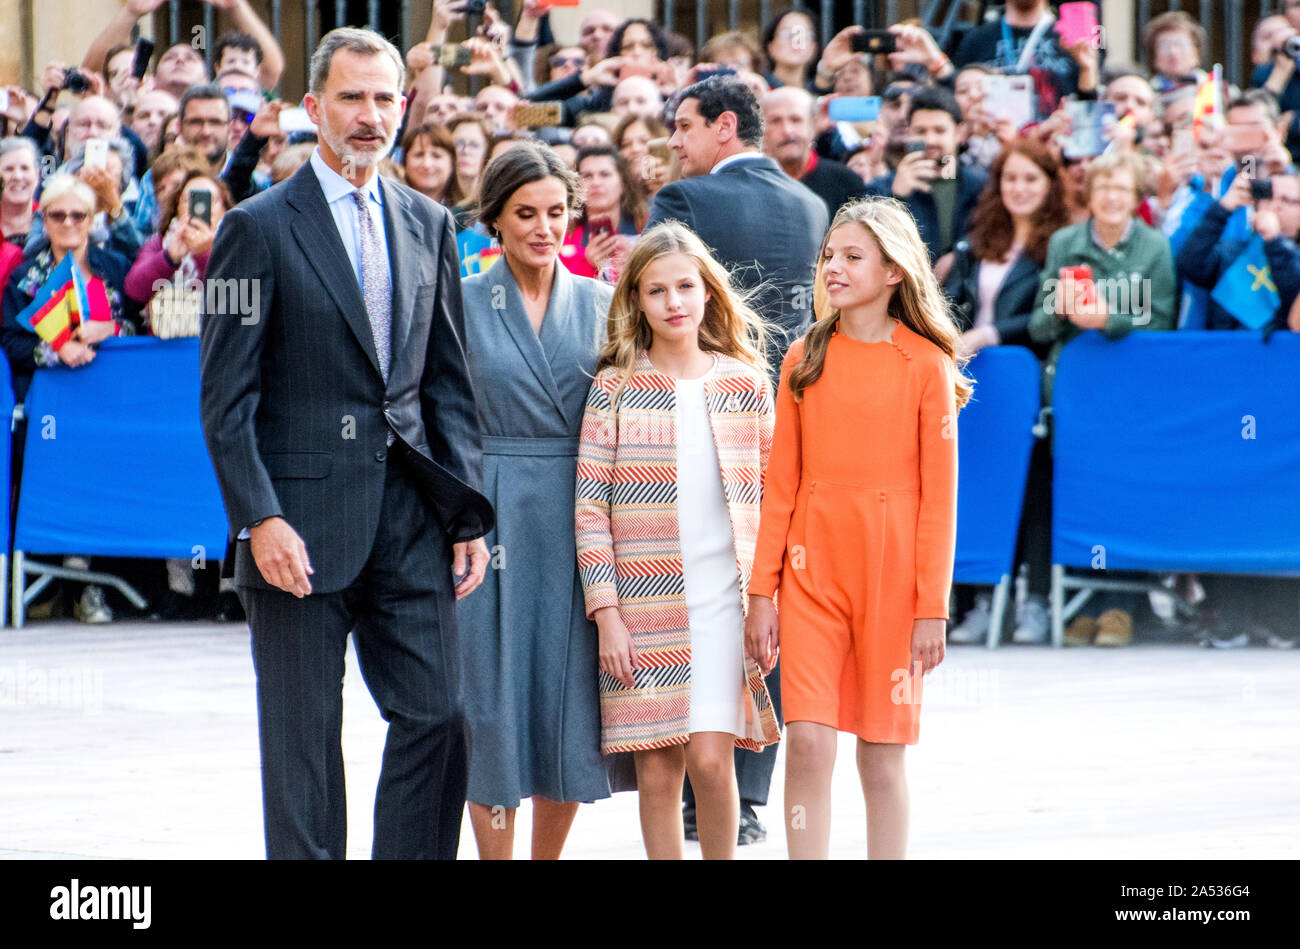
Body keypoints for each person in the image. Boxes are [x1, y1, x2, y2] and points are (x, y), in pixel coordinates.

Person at [199, 27, 494, 860]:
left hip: (409, 517)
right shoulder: (252, 230)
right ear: (312, 108)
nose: (370, 116)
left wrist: (466, 512)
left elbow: (448, 384)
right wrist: (259, 519)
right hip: (296, 526)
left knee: (440, 715)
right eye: (351, 97)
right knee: (302, 747)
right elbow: (225, 401)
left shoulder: (431, 221)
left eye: (384, 99)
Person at [746, 197, 969, 859]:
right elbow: (779, 486)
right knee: (808, 743)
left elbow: (940, 500)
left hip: (895, 585)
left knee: (880, 752)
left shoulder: (926, 364)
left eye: (852, 256)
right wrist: (763, 591)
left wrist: (932, 606)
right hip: (811, 577)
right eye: (829, 256)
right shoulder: (802, 358)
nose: (833, 268)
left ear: (895, 270)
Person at [646, 75, 826, 842]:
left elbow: (655, 304)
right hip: (792, 420)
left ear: (724, 126)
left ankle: (696, 782)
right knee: (765, 596)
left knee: (696, 589)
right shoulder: (812, 205)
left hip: (702, 416)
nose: (675, 144)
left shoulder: (686, 202)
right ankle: (744, 794)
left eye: (682, 127)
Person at [575, 221, 782, 859]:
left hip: (726, 602)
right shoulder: (613, 388)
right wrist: (607, 615)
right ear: (636, 300)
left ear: (708, 293)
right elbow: (589, 511)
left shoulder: (745, 383)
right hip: (642, 605)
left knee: (713, 763)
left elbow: (777, 498)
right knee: (657, 771)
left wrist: (767, 599)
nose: (674, 303)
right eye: (657, 290)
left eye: (685, 286)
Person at [456, 142, 613, 860]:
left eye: (557, 211)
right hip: (485, 513)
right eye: (526, 213)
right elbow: (440, 416)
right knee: (490, 706)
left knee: (566, 707)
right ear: (494, 218)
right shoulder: (457, 301)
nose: (544, 227)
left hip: (579, 513)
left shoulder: (604, 304)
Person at [1030, 151, 1176, 648]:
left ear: (1136, 199)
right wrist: (1062, 312)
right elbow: (1037, 325)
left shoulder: (1154, 246)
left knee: (1125, 494)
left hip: (1133, 393)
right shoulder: (1065, 243)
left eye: (1122, 189)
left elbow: (1162, 320)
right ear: (1088, 196)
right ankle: (1081, 606)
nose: (1112, 197)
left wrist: (1108, 320)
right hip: (1076, 389)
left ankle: (1121, 605)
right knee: (1075, 491)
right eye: (1103, 188)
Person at [944, 140, 1071, 647]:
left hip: (1025, 383)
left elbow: (1045, 320)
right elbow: (955, 303)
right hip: (971, 384)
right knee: (973, 487)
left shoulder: (1061, 243)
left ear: (1049, 186)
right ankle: (974, 601)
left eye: (1031, 180)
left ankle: (1034, 600)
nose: (1019, 189)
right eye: (1010, 178)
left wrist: (990, 334)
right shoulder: (977, 240)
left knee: (1033, 488)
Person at [865, 84, 988, 270]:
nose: (930, 140)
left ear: (959, 133)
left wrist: (960, 254)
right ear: (908, 134)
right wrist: (897, 199)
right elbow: (872, 249)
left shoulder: (982, 187)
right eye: (921, 131)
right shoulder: (881, 189)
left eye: (939, 131)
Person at [762, 86, 866, 220]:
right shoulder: (748, 185)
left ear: (813, 126)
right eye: (776, 121)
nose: (787, 130)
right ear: (761, 130)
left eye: (796, 120)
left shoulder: (847, 183)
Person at [561, 145, 644, 280]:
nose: (596, 182)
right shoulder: (563, 235)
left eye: (605, 174)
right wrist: (588, 266)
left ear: (623, 182)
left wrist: (637, 263)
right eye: (587, 176)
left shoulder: (646, 227)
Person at [400, 122, 459, 207]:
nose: (427, 164)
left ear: (452, 163)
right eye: (419, 154)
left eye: (436, 156)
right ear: (405, 161)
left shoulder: (467, 215)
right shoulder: (389, 207)